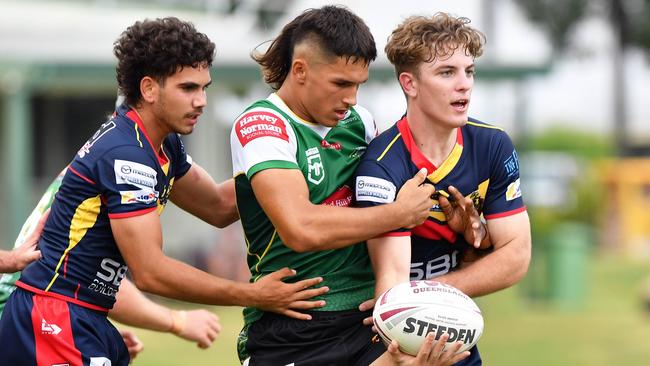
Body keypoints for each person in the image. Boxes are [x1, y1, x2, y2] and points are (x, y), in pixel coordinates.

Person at [0, 17, 327, 366]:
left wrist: (285, 161)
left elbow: (218, 206)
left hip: (82, 315)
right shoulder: (126, 154)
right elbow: (150, 272)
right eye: (188, 88)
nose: (201, 101)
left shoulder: (161, 144)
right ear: (148, 89)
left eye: (204, 87)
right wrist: (253, 295)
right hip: (52, 316)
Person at [230, 5, 446, 365]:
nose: (352, 99)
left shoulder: (360, 122)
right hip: (293, 325)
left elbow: (393, 206)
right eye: (340, 84)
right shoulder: (264, 125)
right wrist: (398, 213)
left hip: (367, 318)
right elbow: (300, 228)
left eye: (358, 85)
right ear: (300, 70)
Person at [354, 13, 533, 365]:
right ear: (410, 83)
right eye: (447, 72)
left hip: (451, 324)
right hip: (395, 339)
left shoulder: (493, 145)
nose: (464, 84)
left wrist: (439, 291)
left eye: (469, 71)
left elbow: (516, 256)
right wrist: (407, 336)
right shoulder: (381, 166)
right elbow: (391, 282)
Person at [0, 168, 222, 358]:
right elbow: (88, 278)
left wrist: (90, 331)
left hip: (31, 320)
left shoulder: (99, 162)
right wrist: (177, 320)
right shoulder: (115, 168)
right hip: (30, 324)